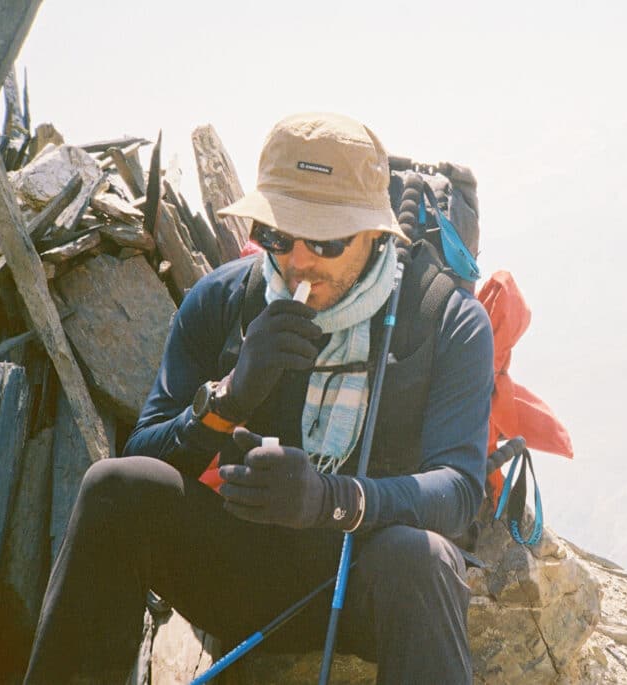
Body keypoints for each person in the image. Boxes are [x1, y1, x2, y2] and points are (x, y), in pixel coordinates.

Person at [24, 112, 494, 684]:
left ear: (376, 235)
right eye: (275, 235)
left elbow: (460, 487)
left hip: (370, 585)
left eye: (324, 240)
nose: (297, 260)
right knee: (113, 490)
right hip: (244, 574)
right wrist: (228, 398)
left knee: (422, 559)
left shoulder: (443, 320)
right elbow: (145, 451)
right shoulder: (224, 300)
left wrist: (332, 498)